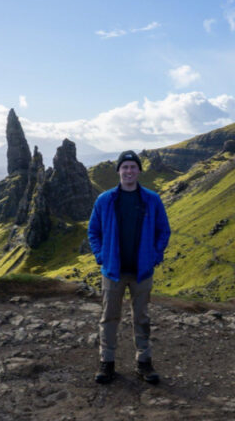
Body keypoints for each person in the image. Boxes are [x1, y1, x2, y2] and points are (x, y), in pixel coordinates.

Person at [87, 150, 171, 385]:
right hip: (112, 271)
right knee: (109, 317)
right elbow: (93, 231)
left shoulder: (152, 199)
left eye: (133, 167)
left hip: (142, 271)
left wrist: (155, 255)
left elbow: (163, 230)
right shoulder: (105, 199)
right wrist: (101, 255)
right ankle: (107, 363)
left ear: (139, 171)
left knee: (141, 318)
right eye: (125, 167)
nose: (129, 171)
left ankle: (144, 363)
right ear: (118, 171)